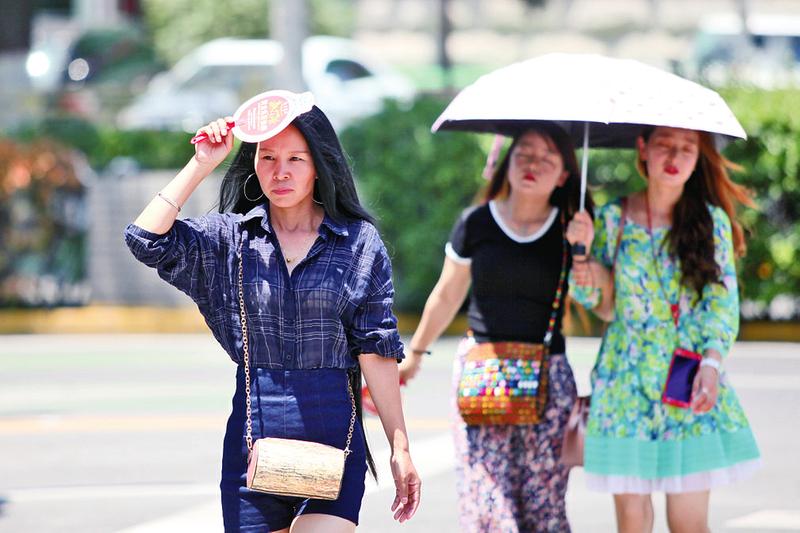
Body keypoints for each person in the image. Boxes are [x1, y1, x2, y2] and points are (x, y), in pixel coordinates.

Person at [124, 97, 421, 532]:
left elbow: (376, 348)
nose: (280, 171)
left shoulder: (358, 242)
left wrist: (400, 447)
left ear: (319, 164)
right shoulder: (231, 240)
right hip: (252, 445)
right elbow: (145, 239)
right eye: (268, 157)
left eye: (296, 159)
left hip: (334, 441)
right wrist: (203, 162)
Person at [566, 126, 761, 533]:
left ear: (698, 157)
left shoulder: (711, 222)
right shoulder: (613, 217)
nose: (675, 156)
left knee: (688, 523)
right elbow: (601, 304)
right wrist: (581, 254)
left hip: (687, 381)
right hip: (625, 384)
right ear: (642, 148)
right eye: (664, 145)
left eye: (687, 148)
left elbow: (721, 304)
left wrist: (712, 362)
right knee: (632, 522)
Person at [398, 123, 591, 532]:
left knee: (545, 510)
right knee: (491, 508)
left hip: (549, 380)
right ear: (507, 163)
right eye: (524, 153)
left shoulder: (572, 228)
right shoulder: (476, 223)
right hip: (481, 375)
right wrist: (414, 355)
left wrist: (585, 250)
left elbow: (601, 301)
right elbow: (447, 295)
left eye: (546, 157)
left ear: (563, 175)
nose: (532, 164)